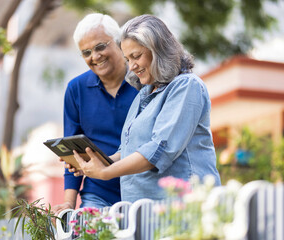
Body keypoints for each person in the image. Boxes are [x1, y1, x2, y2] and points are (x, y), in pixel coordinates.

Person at [71, 14, 221, 203]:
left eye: (136, 56)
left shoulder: (186, 86)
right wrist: (98, 162)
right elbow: (127, 149)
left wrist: (107, 172)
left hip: (183, 206)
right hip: (145, 211)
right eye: (127, 59)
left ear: (158, 50)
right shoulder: (144, 94)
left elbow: (159, 150)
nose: (131, 66)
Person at [51, 13, 138, 213]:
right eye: (86, 52)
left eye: (100, 47)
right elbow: (72, 152)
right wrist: (68, 203)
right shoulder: (76, 89)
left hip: (142, 189)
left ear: (118, 43)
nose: (95, 57)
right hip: (98, 193)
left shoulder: (144, 81)